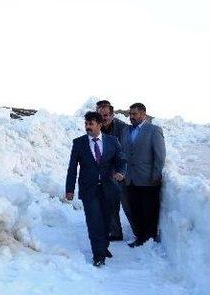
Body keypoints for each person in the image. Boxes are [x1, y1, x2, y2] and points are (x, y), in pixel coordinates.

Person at [65, 111, 127, 267]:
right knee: (94, 222)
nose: (87, 127)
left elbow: (121, 160)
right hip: (89, 189)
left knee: (106, 221)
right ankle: (98, 254)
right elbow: (72, 168)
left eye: (91, 124)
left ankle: (103, 246)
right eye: (86, 124)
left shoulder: (112, 141)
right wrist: (70, 189)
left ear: (100, 125)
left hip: (109, 188)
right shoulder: (79, 143)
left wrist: (120, 172)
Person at [122, 103, 166, 247]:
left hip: (148, 179)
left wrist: (157, 174)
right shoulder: (126, 131)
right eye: (130, 114)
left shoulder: (154, 130)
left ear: (144, 114)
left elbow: (160, 155)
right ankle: (140, 238)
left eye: (134, 114)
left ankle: (150, 239)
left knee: (149, 211)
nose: (131, 117)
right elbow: (124, 153)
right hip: (131, 179)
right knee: (135, 210)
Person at [96, 103, 135, 241]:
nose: (103, 118)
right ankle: (116, 232)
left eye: (106, 115)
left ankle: (139, 234)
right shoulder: (96, 128)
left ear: (112, 115)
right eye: (100, 115)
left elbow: (127, 152)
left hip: (123, 172)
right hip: (107, 172)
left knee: (127, 204)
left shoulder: (123, 129)